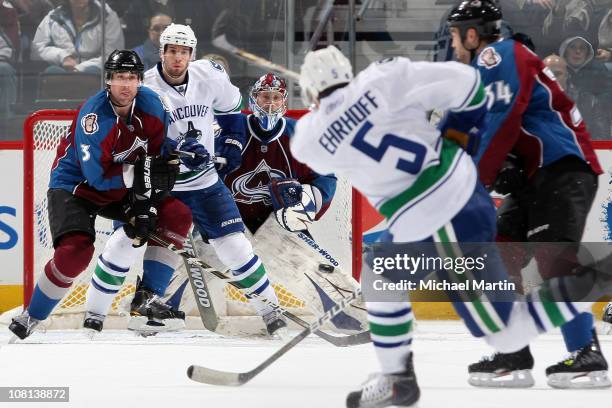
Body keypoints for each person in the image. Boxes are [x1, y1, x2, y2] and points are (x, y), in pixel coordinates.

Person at [291, 45, 602, 408]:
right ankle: (396, 380)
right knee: (380, 276)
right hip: (456, 196)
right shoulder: (384, 77)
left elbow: (312, 148)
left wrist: (329, 111)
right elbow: (470, 83)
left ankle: (599, 279)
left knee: (506, 333)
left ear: (309, 92)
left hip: (438, 215)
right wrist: (457, 132)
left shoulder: (310, 135)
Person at [84, 24, 287, 336]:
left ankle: (272, 311)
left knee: (236, 247)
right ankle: (107, 314)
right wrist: (174, 149)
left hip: (204, 183)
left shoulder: (210, 75)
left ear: (191, 54)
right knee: (128, 243)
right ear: (162, 52)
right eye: (172, 50)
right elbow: (133, 134)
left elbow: (232, 113)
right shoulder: (145, 86)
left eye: (184, 51)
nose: (178, 57)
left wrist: (231, 145)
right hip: (159, 183)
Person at [447, 0, 609, 389]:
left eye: (455, 35)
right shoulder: (486, 68)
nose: (452, 44)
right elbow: (482, 129)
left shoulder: (496, 54)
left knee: (555, 260)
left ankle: (587, 355)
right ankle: (513, 350)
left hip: (562, 167)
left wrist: (475, 177)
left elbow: (503, 120)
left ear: (472, 34)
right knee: (501, 252)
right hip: (534, 174)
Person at [8, 50, 192, 339]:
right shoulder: (93, 117)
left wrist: (147, 204)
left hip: (120, 184)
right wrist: (141, 194)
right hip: (76, 187)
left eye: (131, 77)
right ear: (108, 80)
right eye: (119, 77)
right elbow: (98, 177)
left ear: (140, 81)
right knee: (75, 252)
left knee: (177, 215)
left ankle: (148, 298)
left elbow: (155, 161)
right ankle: (33, 314)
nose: (125, 84)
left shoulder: (153, 107)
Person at [222, 72, 336, 235]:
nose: (270, 103)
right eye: (265, 97)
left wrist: (310, 200)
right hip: (232, 221)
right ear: (254, 99)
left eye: (276, 98)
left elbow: (326, 174)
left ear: (284, 101)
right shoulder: (233, 128)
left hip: (282, 221)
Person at [30, 0, 124, 74]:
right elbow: (36, 50)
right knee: (52, 72)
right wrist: (62, 57)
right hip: (63, 69)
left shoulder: (107, 17)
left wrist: (80, 68)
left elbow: (113, 56)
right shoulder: (53, 17)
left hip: (96, 72)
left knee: (91, 72)